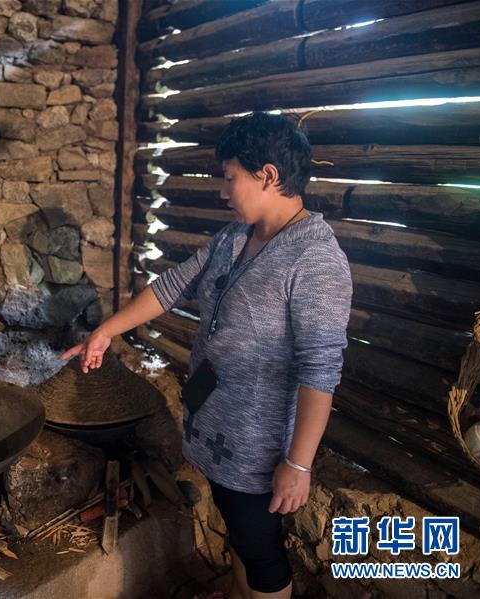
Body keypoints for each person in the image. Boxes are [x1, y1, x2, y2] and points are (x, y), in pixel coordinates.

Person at [59, 112, 353, 599]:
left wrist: (298, 465)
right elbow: (173, 286)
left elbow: (320, 371)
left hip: (257, 444)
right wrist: (105, 332)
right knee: (238, 532)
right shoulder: (236, 237)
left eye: (230, 178)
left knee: (261, 554)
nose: (222, 191)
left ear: (268, 176)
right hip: (217, 426)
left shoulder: (315, 260)